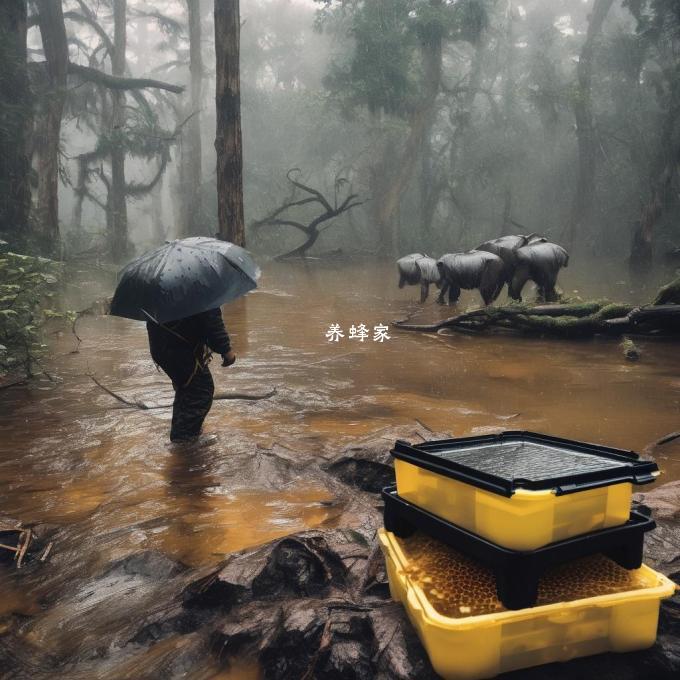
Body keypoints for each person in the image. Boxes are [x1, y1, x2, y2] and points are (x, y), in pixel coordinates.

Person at [146, 307, 236, 442]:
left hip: (162, 346)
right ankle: (185, 444)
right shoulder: (199, 288)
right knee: (200, 392)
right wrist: (226, 350)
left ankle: (183, 432)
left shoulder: (161, 290)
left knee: (186, 389)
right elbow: (211, 319)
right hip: (181, 348)